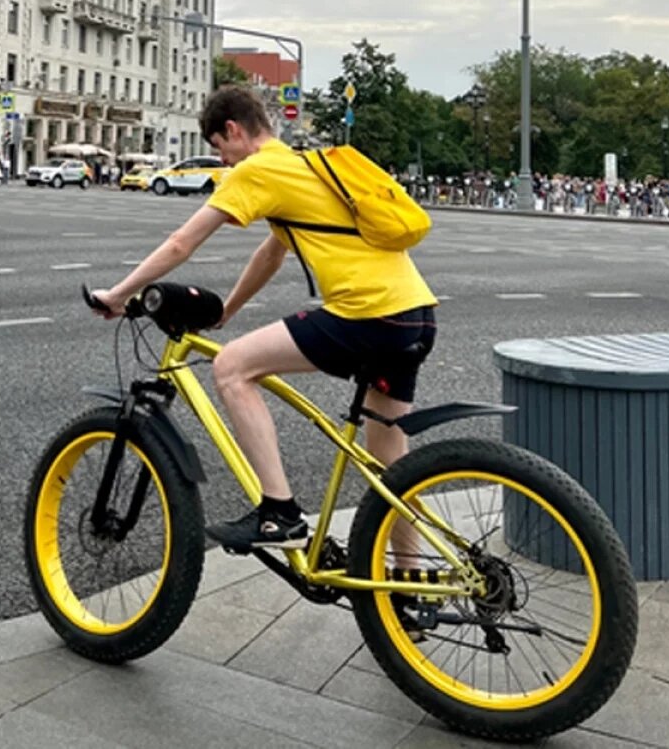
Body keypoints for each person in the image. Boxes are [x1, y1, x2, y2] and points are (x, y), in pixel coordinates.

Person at [90, 84, 438, 559]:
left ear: (234, 130)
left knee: (231, 367)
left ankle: (280, 512)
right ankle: (410, 582)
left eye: (220, 148)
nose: (223, 161)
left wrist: (117, 295)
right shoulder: (301, 165)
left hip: (367, 313)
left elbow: (181, 243)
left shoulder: (256, 170)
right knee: (390, 470)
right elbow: (270, 254)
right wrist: (227, 311)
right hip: (414, 314)